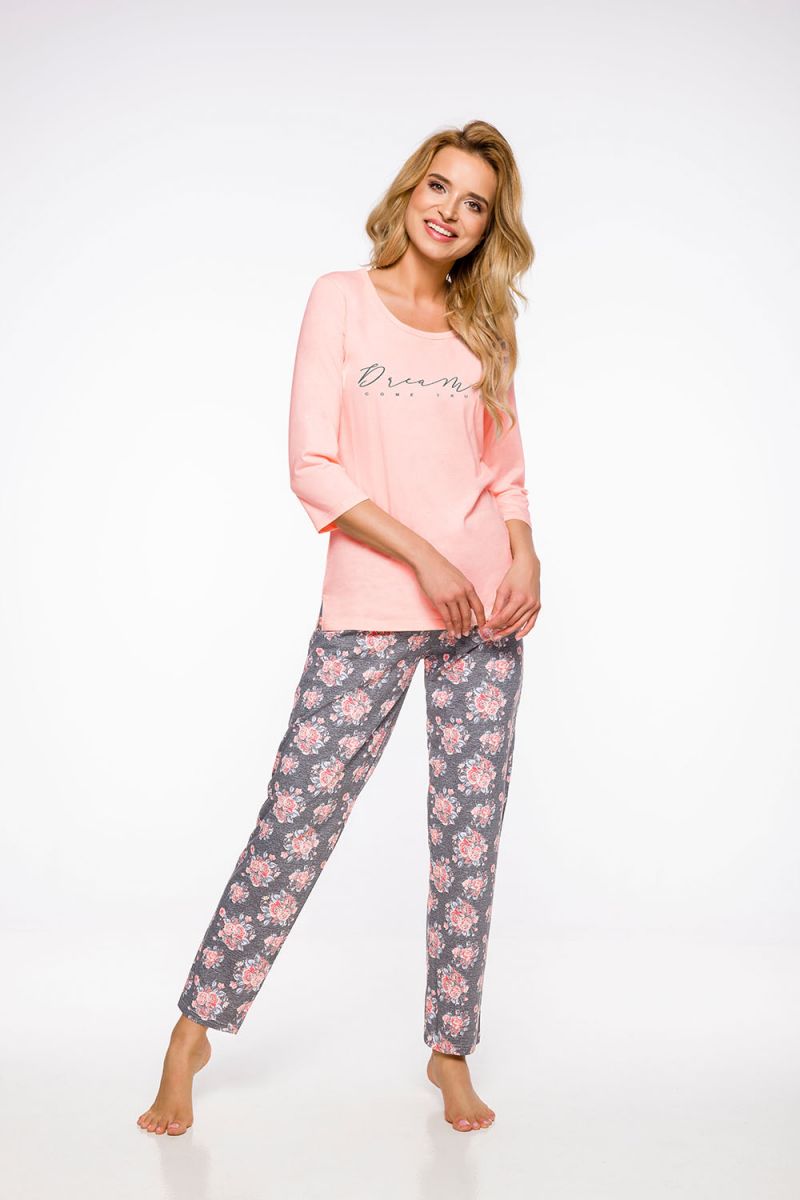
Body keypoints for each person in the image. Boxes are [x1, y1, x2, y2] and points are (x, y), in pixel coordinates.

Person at [137, 119, 541, 1137]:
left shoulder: (482, 323)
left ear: (488, 226)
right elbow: (311, 465)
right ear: (409, 191)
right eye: (439, 188)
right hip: (376, 604)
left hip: (486, 611)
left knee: (468, 836)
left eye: (475, 203)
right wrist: (424, 555)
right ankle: (192, 1031)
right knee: (297, 817)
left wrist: (524, 551)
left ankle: (450, 1050)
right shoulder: (341, 300)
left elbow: (503, 469)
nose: (450, 212)